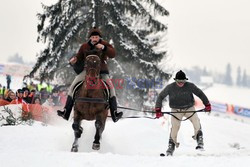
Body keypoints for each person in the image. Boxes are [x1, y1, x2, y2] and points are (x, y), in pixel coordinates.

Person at [57, 27, 123, 122]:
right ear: (90, 38)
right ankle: (66, 111)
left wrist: (104, 48)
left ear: (99, 37)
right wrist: (74, 59)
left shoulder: (104, 44)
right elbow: (79, 57)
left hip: (101, 71)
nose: (95, 39)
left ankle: (114, 113)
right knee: (72, 86)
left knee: (111, 89)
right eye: (93, 37)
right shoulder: (84, 46)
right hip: (87, 71)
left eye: (96, 37)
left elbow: (113, 54)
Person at [155, 70, 211, 156]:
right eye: (179, 81)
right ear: (175, 80)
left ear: (185, 80)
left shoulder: (190, 86)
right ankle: (171, 146)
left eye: (183, 81)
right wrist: (158, 109)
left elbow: (200, 93)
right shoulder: (170, 87)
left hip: (189, 108)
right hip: (176, 110)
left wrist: (207, 104)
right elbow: (161, 96)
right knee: (175, 127)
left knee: (196, 122)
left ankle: (200, 141)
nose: (181, 83)